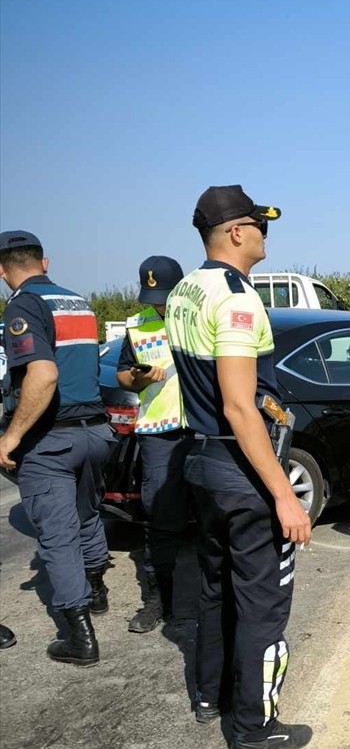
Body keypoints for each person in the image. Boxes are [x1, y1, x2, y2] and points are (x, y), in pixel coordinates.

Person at [165, 185, 313, 749]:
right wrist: (284, 494)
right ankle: (255, 727)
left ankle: (211, 695)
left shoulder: (184, 290)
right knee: (263, 603)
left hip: (200, 460)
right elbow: (238, 405)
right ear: (234, 232)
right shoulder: (235, 297)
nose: (264, 235)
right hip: (238, 463)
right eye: (260, 225)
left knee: (213, 585)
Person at [0, 229, 114, 665]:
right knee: (87, 515)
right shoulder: (77, 301)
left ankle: (78, 636)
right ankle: (98, 588)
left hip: (53, 439)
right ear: (44, 263)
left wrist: (12, 435)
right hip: (95, 433)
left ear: (3, 270)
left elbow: (43, 375)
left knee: (58, 536)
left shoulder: (23, 306)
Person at [115, 255, 191, 633]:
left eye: (164, 295)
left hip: (201, 428)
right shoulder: (137, 327)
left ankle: (213, 599)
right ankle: (157, 601)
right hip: (158, 433)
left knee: (215, 515)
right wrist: (139, 377)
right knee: (159, 519)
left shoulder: (197, 318)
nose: (158, 303)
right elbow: (124, 377)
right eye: (152, 296)